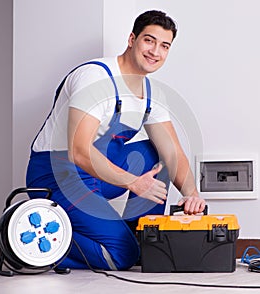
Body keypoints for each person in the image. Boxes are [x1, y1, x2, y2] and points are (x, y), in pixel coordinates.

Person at [26, 10, 205, 271]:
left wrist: (192, 195)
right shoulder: (94, 78)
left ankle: (144, 243)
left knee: (155, 155)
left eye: (164, 46)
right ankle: (30, 239)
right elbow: (79, 151)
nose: (155, 51)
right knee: (120, 255)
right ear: (132, 39)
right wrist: (134, 182)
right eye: (149, 40)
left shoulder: (152, 95)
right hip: (58, 174)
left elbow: (173, 153)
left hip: (98, 174)